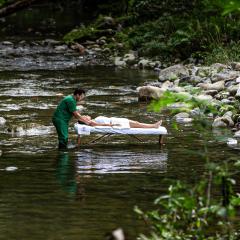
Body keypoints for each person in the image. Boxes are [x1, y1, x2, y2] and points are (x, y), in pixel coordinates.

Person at [78, 115, 162, 128]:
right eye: (84, 116)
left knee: (136, 123)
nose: (85, 115)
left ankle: (153, 125)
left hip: (114, 119)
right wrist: (113, 125)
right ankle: (154, 126)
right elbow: (102, 125)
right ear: (85, 121)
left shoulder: (92, 120)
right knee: (136, 124)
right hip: (114, 122)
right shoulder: (91, 123)